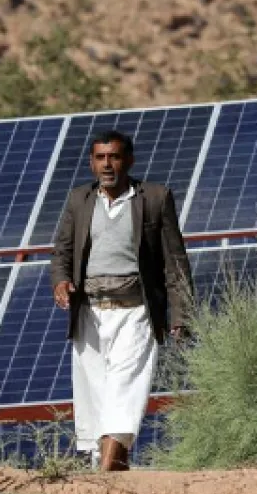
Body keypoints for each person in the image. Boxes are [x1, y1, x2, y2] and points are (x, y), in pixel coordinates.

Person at [51, 130, 194, 471]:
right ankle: (114, 468)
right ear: (91, 162)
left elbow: (175, 260)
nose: (107, 165)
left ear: (129, 160)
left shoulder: (155, 198)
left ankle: (104, 474)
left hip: (136, 312)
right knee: (98, 397)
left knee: (124, 389)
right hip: (91, 313)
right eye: (100, 158)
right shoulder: (79, 200)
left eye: (114, 157)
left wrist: (181, 313)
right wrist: (60, 281)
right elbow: (62, 251)